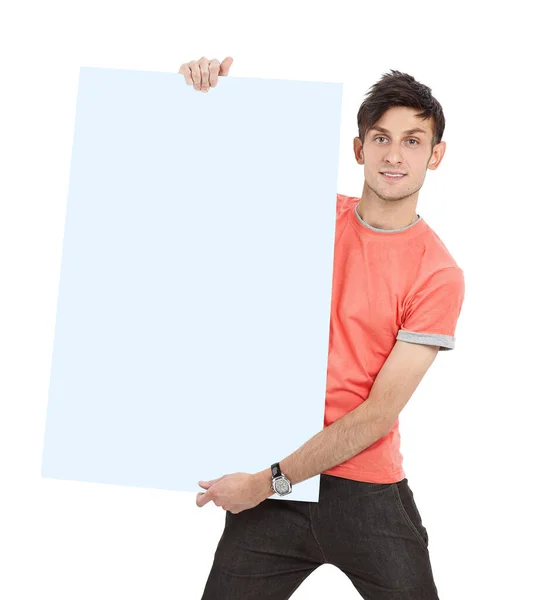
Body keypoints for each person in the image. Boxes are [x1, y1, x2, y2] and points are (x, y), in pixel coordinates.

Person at [178, 57, 465, 599]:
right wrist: (209, 96)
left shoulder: (438, 273)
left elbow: (378, 413)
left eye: (412, 140)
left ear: (436, 154)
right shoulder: (309, 215)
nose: (394, 155)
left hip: (363, 495)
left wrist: (267, 481)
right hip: (277, 487)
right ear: (359, 149)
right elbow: (216, 177)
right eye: (380, 138)